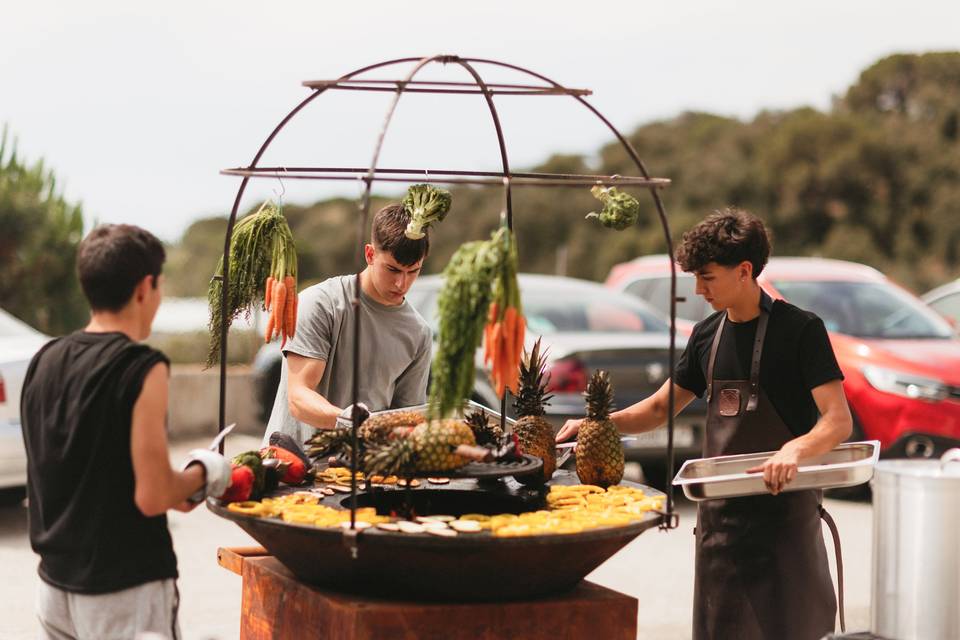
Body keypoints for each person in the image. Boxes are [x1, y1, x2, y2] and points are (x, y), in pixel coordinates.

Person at [557, 208, 852, 640]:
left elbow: (837, 420)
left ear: (745, 271)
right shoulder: (706, 335)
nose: (699, 289)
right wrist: (598, 424)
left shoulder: (802, 330)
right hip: (722, 532)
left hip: (785, 528)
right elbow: (659, 410)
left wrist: (794, 450)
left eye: (707, 277)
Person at [21, 224, 232, 640]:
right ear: (144, 287)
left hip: (54, 587)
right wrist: (207, 473)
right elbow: (153, 495)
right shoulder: (141, 366)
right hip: (122, 591)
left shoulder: (43, 359)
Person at [264, 203, 433, 444]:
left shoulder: (419, 333)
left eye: (413, 271)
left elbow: (405, 420)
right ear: (370, 254)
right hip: (292, 468)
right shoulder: (321, 303)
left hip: (365, 474)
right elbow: (299, 398)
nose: (401, 283)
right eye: (392, 270)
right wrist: (347, 421)